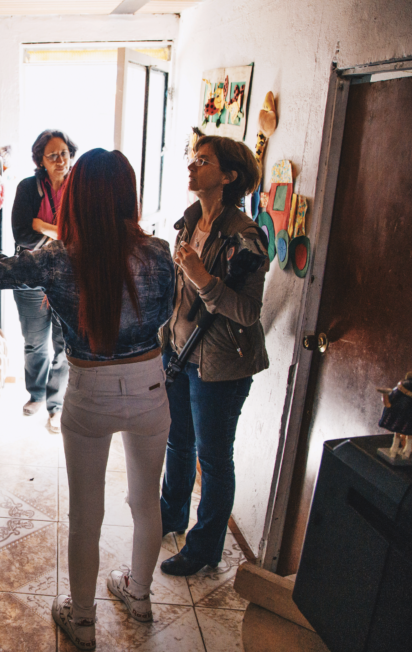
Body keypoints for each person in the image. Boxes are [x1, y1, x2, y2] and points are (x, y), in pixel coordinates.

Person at [0, 150, 175, 651]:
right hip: (150, 385)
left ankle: (82, 620)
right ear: (129, 195)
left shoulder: (57, 258)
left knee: (86, 513)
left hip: (90, 391)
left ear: (77, 198)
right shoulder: (159, 253)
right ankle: (141, 598)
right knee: (146, 501)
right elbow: (164, 314)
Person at [158, 135, 268, 577]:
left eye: (202, 161)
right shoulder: (189, 224)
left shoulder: (247, 237)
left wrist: (203, 277)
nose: (191, 167)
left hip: (221, 367)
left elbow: (247, 312)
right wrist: (164, 340)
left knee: (214, 458)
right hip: (181, 356)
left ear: (228, 176)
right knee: (176, 442)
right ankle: (170, 516)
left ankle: (204, 547)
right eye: (192, 159)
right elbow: (177, 294)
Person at [10, 130, 78, 433]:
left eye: (64, 152)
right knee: (35, 342)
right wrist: (60, 234)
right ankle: (36, 394)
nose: (60, 159)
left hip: (70, 277)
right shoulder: (28, 188)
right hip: (30, 275)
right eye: (53, 155)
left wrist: (44, 226)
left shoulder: (79, 187)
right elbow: (21, 234)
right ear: (41, 160)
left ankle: (56, 403)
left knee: (64, 344)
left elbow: (80, 235)